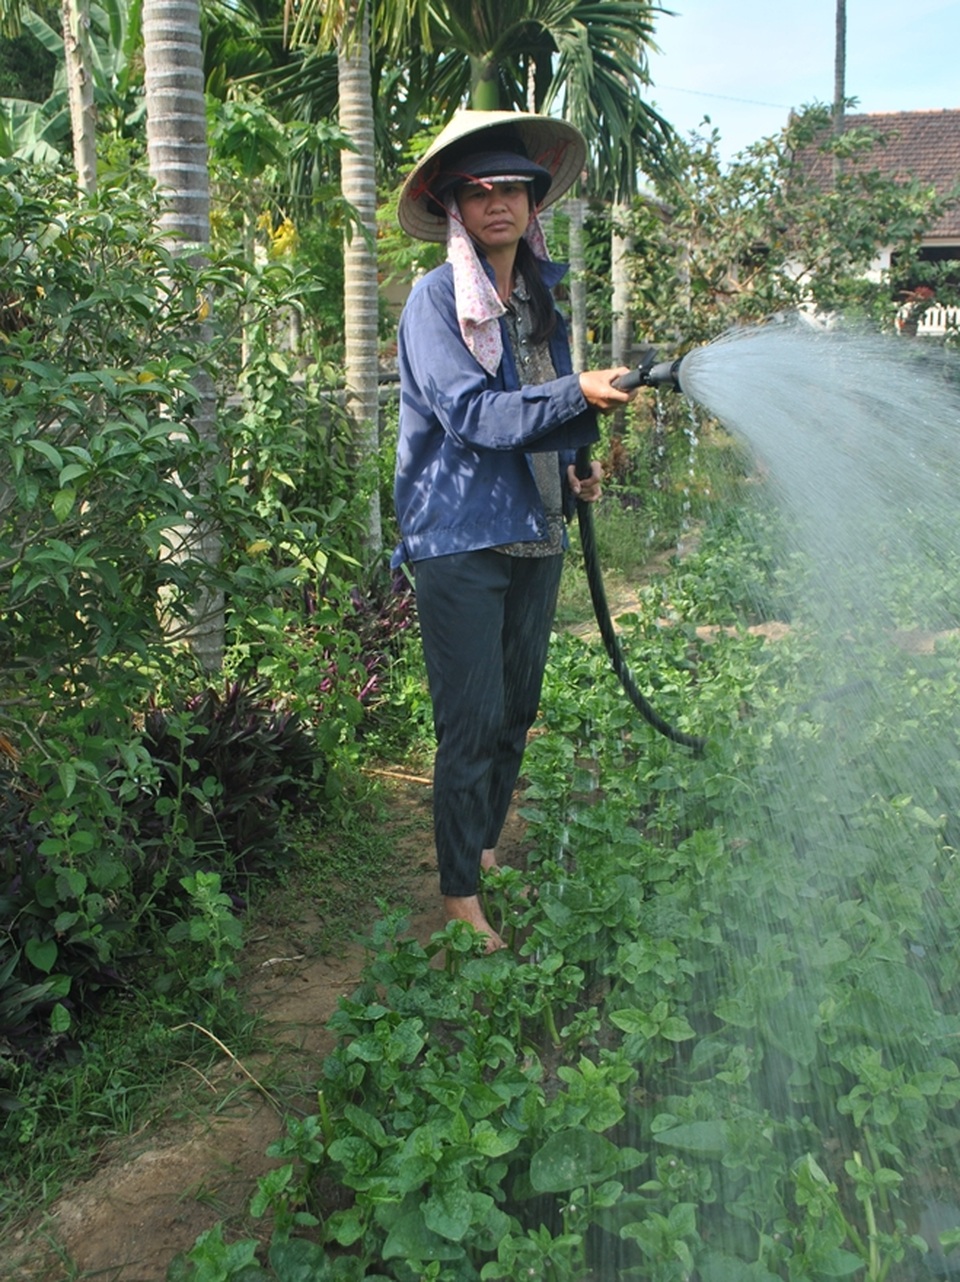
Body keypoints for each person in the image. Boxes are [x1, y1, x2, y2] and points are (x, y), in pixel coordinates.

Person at [394, 110, 636, 950]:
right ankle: (459, 898)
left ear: (534, 203)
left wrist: (574, 465)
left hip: (536, 532)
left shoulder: (537, 300)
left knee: (515, 710)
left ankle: (484, 847)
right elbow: (473, 415)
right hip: (459, 535)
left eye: (513, 188)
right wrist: (577, 395)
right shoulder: (436, 301)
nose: (498, 202)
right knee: (472, 719)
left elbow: (549, 406)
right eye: (479, 191)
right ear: (455, 208)